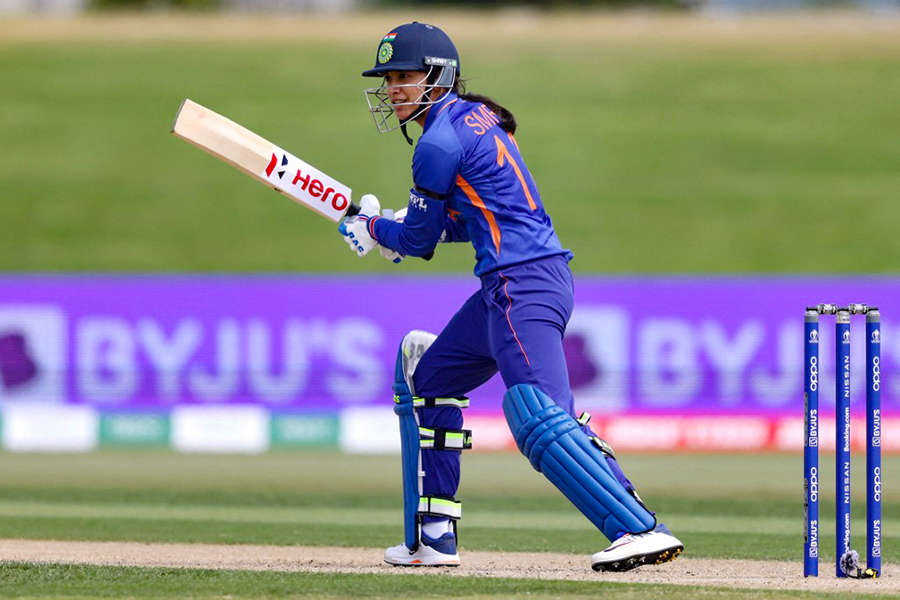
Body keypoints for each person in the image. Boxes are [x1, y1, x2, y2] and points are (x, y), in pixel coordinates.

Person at [339, 21, 684, 572]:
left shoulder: (436, 143)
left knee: (539, 415)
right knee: (431, 380)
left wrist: (377, 230)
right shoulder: (476, 118)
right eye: (389, 79)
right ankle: (434, 535)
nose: (393, 90)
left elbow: (421, 244)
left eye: (403, 77)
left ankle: (637, 528)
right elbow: (474, 217)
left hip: (520, 286)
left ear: (437, 76)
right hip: (518, 282)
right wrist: (401, 222)